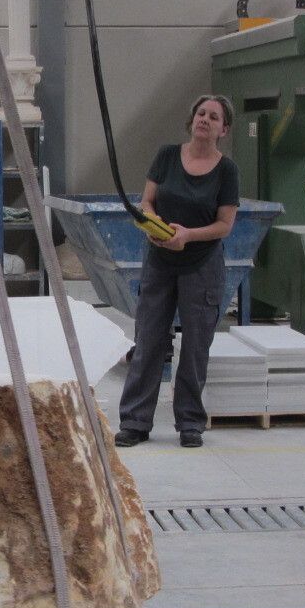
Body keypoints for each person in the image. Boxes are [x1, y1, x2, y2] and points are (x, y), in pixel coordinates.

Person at [116, 95, 239, 449]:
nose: (205, 119)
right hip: (159, 260)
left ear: (223, 129)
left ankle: (190, 423)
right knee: (149, 340)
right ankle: (135, 421)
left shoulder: (226, 170)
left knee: (196, 345)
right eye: (201, 113)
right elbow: (147, 201)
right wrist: (153, 226)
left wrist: (187, 236)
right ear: (192, 119)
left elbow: (225, 225)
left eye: (213, 117)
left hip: (201, 265)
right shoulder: (167, 156)